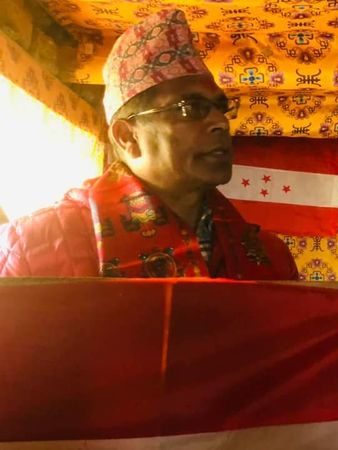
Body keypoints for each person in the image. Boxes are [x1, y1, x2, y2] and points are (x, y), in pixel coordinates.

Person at [0, 9, 297, 280]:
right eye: (191, 108)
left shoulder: (271, 257)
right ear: (127, 137)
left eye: (221, 108)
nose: (220, 122)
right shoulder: (35, 247)